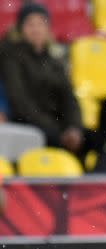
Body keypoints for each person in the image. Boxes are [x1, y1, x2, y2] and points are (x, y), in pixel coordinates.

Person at [0, 3, 83, 154]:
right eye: (30, 24)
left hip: (55, 124)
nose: (36, 29)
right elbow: (20, 101)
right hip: (28, 123)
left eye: (41, 24)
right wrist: (56, 130)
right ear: (20, 28)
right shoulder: (11, 56)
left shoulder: (54, 59)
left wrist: (74, 127)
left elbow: (69, 98)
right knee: (53, 139)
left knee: (89, 138)